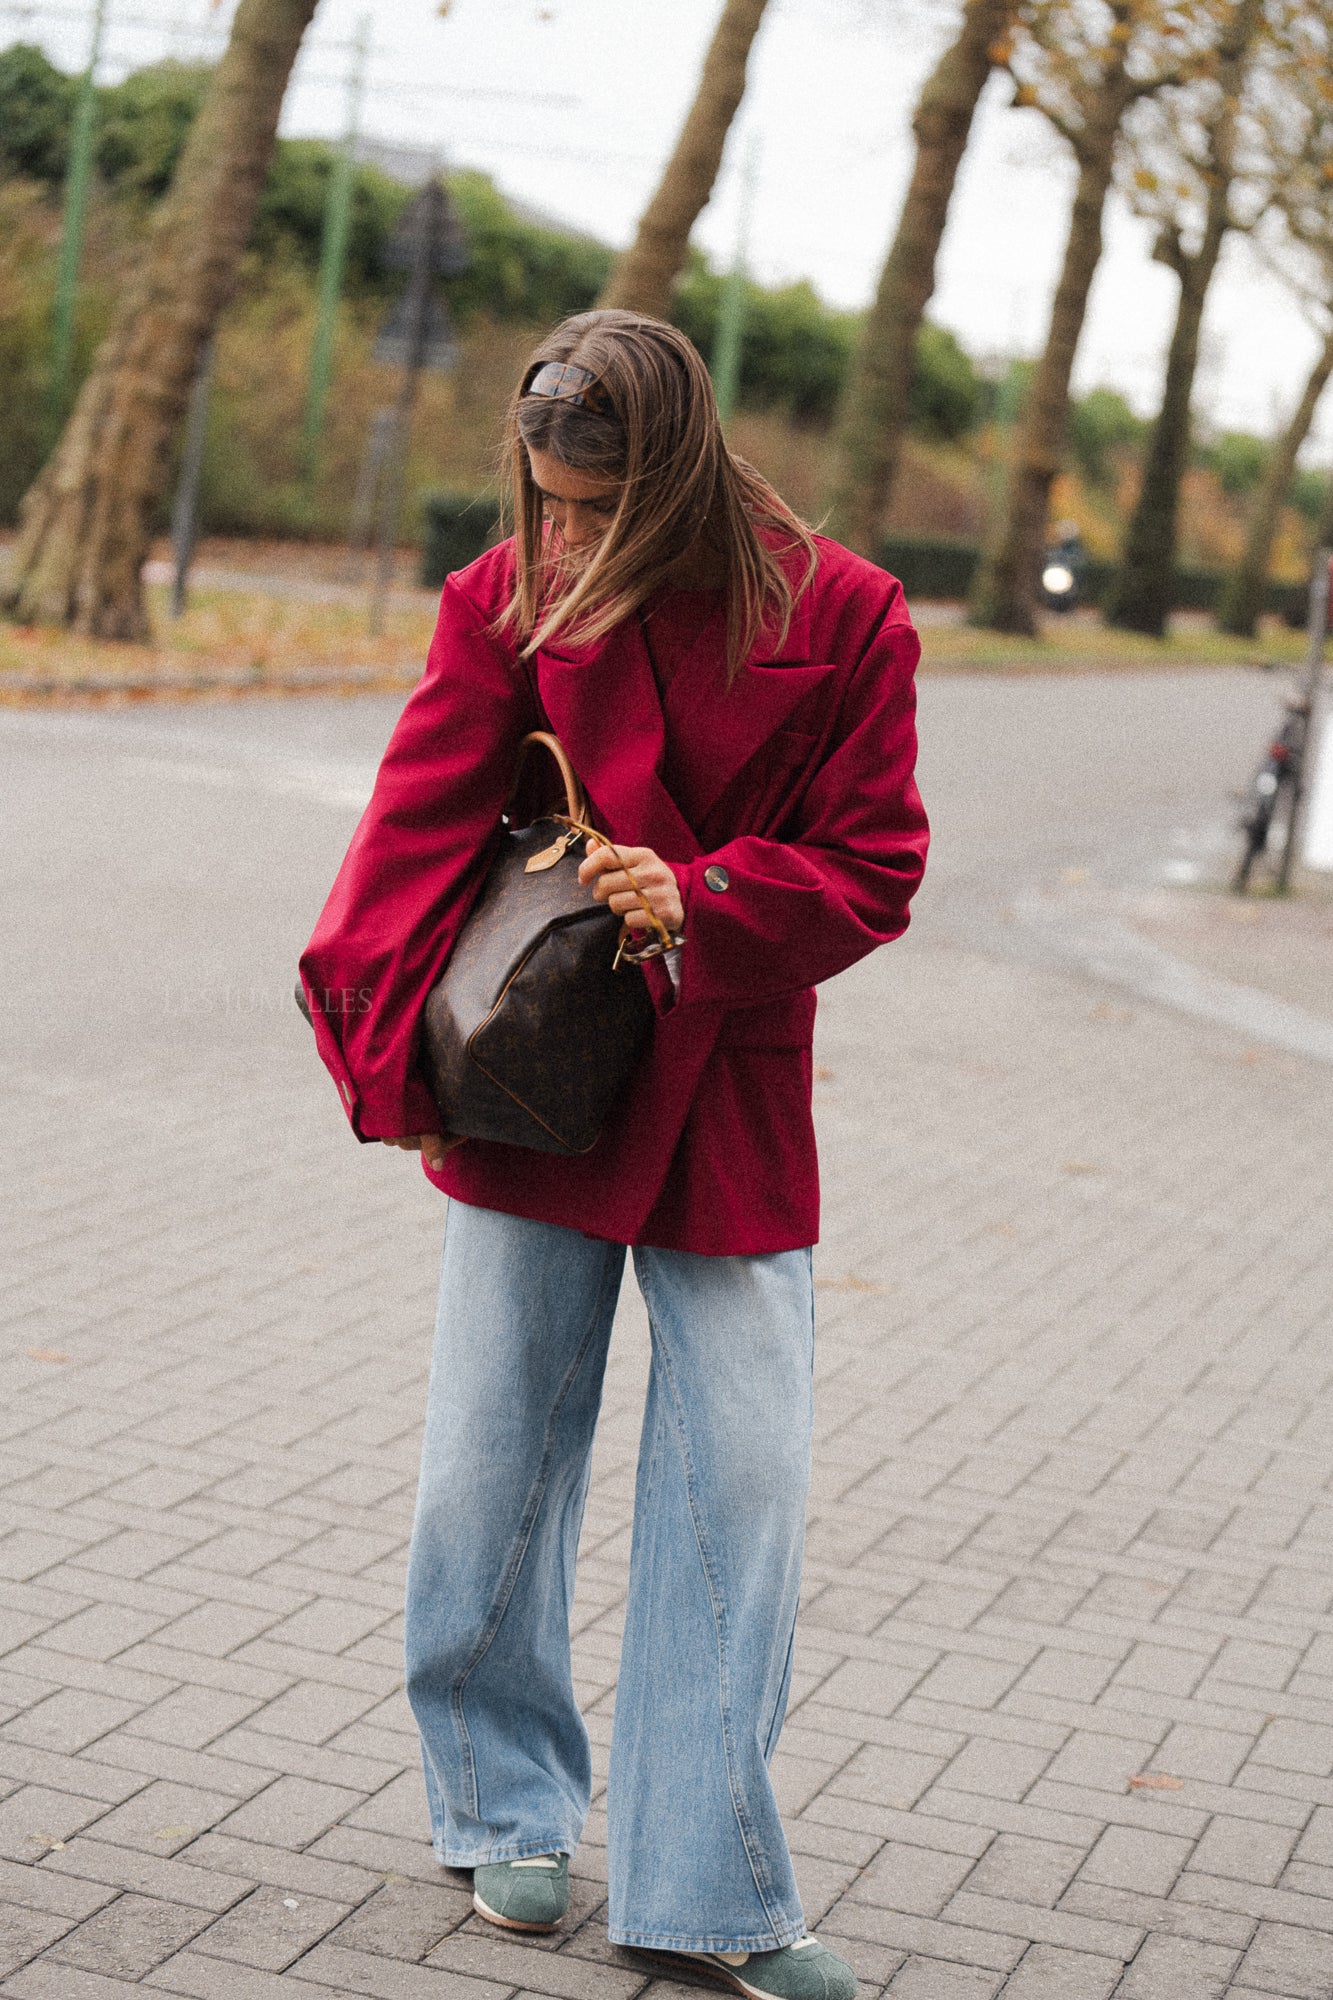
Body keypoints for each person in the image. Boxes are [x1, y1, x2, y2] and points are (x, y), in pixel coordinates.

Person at [300, 308, 928, 2000]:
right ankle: (502, 1796)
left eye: (590, 507)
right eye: (541, 500)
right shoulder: (505, 596)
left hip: (727, 1085)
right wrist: (380, 1054)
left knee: (745, 1485)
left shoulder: (849, 614)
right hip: (536, 1074)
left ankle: (704, 1887)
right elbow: (415, 824)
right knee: (487, 1468)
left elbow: (874, 864)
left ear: (670, 479)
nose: (557, 535)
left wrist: (711, 893)